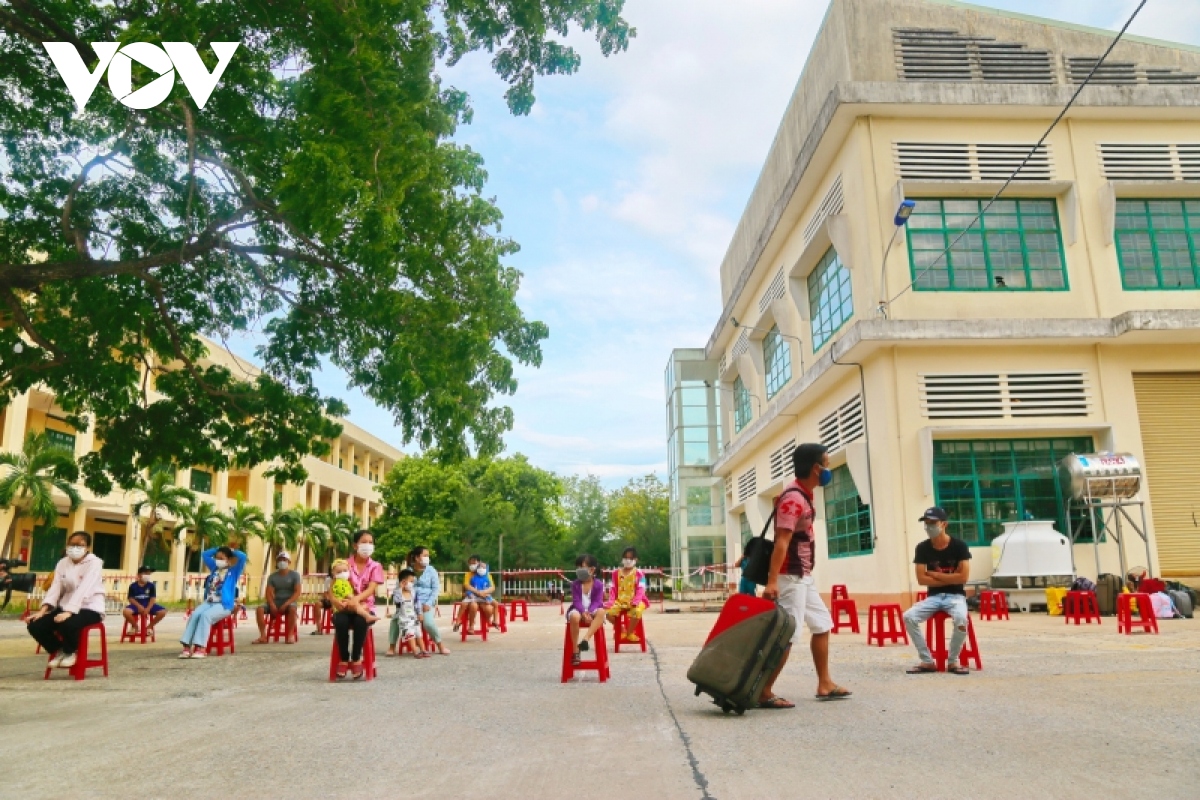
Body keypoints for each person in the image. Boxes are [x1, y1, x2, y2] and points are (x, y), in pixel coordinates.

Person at [760, 443, 852, 707]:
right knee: (787, 634)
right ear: (816, 468)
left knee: (822, 623)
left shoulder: (804, 494)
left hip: (803, 575)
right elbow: (781, 542)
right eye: (827, 463)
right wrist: (772, 580)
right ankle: (764, 691)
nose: (829, 469)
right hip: (790, 576)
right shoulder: (793, 499)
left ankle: (825, 683)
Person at [903, 507, 973, 675]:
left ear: (944, 524)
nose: (929, 527)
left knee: (961, 619)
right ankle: (927, 661)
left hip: (956, 596)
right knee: (909, 616)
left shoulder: (959, 546)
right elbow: (921, 579)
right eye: (926, 523)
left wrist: (934, 574)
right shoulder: (922, 548)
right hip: (933, 597)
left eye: (933, 523)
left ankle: (953, 661)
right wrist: (951, 576)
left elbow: (963, 578)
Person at [26, 531, 106, 670]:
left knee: (67, 623)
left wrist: (69, 611)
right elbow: (55, 587)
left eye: (80, 545)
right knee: (35, 625)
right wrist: (43, 610)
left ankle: (70, 652)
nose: (75, 548)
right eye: (72, 544)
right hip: (65, 606)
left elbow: (84, 588)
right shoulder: (63, 563)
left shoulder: (95, 563)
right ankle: (58, 650)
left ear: (87, 548)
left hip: (90, 607)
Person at [330, 531, 384, 680]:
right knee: (340, 621)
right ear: (355, 545)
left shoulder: (375, 566)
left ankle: (356, 658)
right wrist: (335, 600)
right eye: (364, 542)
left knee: (362, 621)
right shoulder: (344, 564)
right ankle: (343, 658)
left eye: (370, 542)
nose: (368, 545)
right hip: (344, 608)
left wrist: (356, 600)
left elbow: (371, 589)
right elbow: (333, 586)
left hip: (366, 607)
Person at [179, 544, 247, 658]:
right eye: (217, 558)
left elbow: (243, 557)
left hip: (224, 605)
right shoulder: (214, 568)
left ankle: (201, 648)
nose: (218, 561)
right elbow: (204, 554)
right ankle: (186, 646)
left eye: (222, 558)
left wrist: (231, 550)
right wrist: (219, 549)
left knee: (206, 616)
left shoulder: (233, 572)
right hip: (209, 602)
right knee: (195, 615)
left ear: (229, 560)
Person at [253, 551, 302, 644]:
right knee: (259, 609)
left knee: (292, 609)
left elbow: (297, 592)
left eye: (284, 560)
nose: (282, 562)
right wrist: (271, 604)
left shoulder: (295, 575)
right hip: (276, 601)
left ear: (289, 562)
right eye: (280, 560)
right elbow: (268, 592)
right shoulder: (272, 577)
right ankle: (263, 636)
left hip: (289, 602)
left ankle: (290, 635)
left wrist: (287, 603)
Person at [567, 553, 606, 666]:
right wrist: (583, 612)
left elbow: (597, 601)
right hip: (578, 610)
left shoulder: (598, 584)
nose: (579, 570)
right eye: (578, 567)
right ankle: (575, 651)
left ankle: (585, 639)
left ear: (592, 569)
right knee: (574, 617)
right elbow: (576, 600)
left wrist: (589, 611)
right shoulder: (575, 584)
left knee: (601, 612)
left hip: (592, 610)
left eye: (582, 567)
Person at [411, 546, 449, 655]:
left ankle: (440, 645)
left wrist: (428, 603)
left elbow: (436, 589)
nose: (427, 558)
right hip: (411, 604)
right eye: (425, 556)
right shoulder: (408, 571)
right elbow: (400, 588)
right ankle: (392, 646)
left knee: (428, 623)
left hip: (426, 603)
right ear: (417, 558)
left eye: (428, 556)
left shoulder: (431, 571)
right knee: (398, 620)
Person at [606, 546, 649, 642]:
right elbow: (612, 588)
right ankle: (621, 629)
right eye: (625, 558)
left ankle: (629, 633)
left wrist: (636, 601)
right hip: (620, 601)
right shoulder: (615, 573)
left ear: (635, 559)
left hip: (636, 601)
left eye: (630, 558)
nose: (628, 560)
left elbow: (641, 588)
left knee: (637, 612)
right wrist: (611, 601)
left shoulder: (640, 573)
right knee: (607, 613)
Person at [387, 568, 426, 658]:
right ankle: (415, 651)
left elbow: (417, 604)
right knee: (410, 634)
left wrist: (420, 613)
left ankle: (423, 650)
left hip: (414, 618)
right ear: (403, 581)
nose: (412, 584)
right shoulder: (397, 592)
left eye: (413, 582)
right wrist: (400, 589)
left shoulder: (413, 592)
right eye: (411, 581)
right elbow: (397, 602)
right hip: (404, 620)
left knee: (418, 633)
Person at [456, 554, 495, 633]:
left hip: (483, 598)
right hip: (473, 597)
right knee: (473, 606)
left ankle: (488, 622)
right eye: (470, 564)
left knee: (489, 609)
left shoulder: (486, 574)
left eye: (474, 563)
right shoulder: (468, 574)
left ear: (479, 563)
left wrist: (484, 592)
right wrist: (477, 592)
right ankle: (471, 626)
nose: (472, 566)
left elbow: (492, 587)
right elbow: (467, 586)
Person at [123, 565, 167, 632]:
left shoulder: (151, 585)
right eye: (145, 573)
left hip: (148, 605)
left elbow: (153, 598)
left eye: (149, 574)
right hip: (136, 605)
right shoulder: (133, 586)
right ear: (139, 575)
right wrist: (139, 606)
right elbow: (131, 598)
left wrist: (148, 608)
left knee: (163, 612)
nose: (147, 575)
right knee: (126, 612)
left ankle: (149, 627)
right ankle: (135, 626)